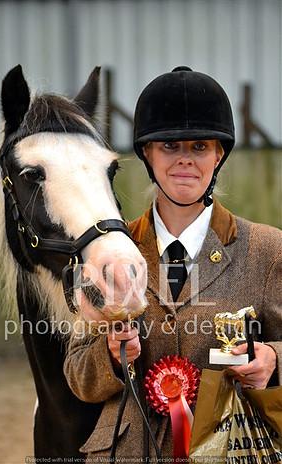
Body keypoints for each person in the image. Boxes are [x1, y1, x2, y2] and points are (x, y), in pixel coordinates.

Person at [63, 66, 282, 460]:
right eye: (169, 146)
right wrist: (110, 357)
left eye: (199, 146)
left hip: (231, 449)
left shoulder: (268, 250)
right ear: (147, 153)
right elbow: (78, 375)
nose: (185, 160)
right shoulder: (108, 252)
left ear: (219, 155)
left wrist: (273, 360)